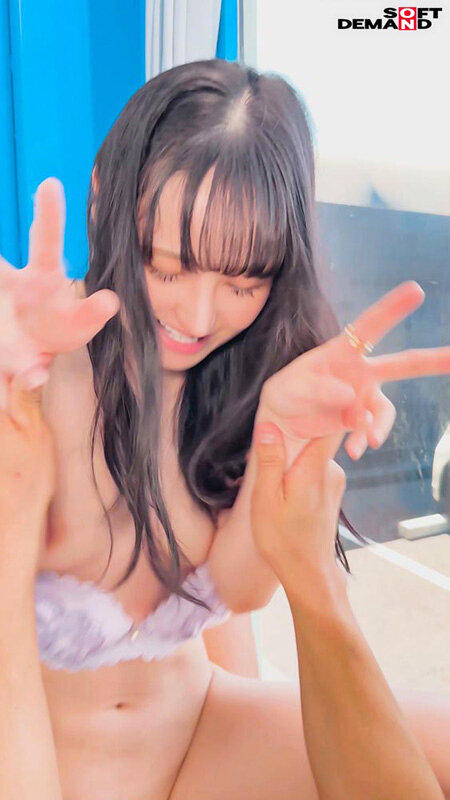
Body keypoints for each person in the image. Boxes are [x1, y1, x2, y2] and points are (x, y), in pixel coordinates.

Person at [0, 58, 449, 799]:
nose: (198, 316)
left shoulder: (247, 379)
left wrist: (283, 443)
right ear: (104, 197)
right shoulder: (32, 372)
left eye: (242, 282)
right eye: (166, 267)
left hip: (198, 734)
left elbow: (238, 591)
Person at [0, 376, 446, 800]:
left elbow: (218, 609)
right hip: (38, 759)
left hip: (194, 730)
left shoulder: (179, 357)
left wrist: (294, 437)